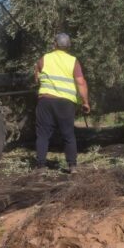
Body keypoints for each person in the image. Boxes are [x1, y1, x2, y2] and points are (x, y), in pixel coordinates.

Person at [34, 33, 90, 174]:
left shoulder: (44, 59)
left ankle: (41, 167)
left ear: (54, 44)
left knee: (43, 135)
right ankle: (72, 166)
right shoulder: (73, 61)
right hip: (66, 103)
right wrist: (85, 102)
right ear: (68, 46)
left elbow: (36, 79)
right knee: (68, 134)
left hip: (46, 101)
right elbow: (81, 82)